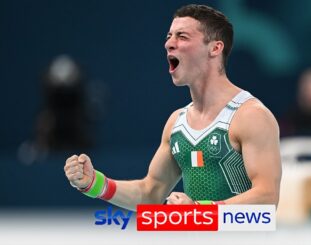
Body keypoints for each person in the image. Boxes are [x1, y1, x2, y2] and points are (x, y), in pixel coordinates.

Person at [64, 4, 281, 210]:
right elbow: (150, 193)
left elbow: (267, 197)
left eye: (182, 36)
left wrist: (200, 210)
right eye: (169, 36)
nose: (169, 44)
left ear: (215, 48)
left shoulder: (251, 116)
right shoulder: (177, 123)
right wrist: (95, 184)